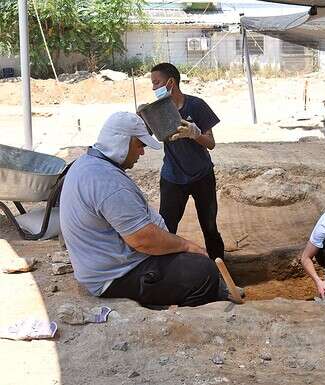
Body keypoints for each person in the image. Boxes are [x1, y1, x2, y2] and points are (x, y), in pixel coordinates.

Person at [59, 112, 232, 307]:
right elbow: (143, 240)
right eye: (140, 145)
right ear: (124, 142)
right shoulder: (108, 182)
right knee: (203, 271)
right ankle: (183, 315)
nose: (141, 153)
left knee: (186, 260)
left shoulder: (88, 164)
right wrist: (188, 246)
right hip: (115, 276)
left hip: (105, 265)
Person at [149, 62, 225, 260]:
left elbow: (211, 144)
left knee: (210, 227)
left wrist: (195, 133)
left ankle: (220, 274)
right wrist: (141, 117)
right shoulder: (157, 110)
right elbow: (147, 136)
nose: (153, 88)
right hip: (172, 178)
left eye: (157, 83)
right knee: (167, 228)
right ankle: (167, 272)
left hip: (202, 176)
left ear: (171, 82)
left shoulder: (196, 106)